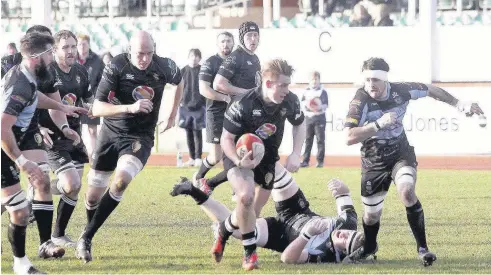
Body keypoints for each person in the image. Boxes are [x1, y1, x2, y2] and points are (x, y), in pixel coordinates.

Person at [342, 57, 485, 266]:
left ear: (385, 80)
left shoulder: (402, 90)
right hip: (373, 160)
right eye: (368, 80)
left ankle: (423, 250)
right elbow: (348, 137)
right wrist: (378, 124)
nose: (371, 84)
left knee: (407, 191)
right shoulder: (360, 99)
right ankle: (370, 247)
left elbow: (430, 89)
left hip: (401, 153)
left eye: (376, 79)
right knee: (371, 217)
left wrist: (459, 104)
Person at [75, 31, 183, 263]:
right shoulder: (117, 66)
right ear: (129, 50)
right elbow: (97, 108)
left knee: (121, 181)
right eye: (139, 54)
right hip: (110, 133)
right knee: (92, 197)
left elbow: (180, 80)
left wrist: (173, 113)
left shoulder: (165, 66)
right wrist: (130, 108)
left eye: (149, 53)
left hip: (140, 136)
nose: (144, 59)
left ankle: (85, 237)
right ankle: (89, 232)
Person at [210, 59, 306, 270]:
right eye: (283, 85)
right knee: (245, 197)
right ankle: (249, 254)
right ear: (268, 83)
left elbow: (300, 124)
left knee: (253, 211)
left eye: (288, 85)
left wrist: (296, 153)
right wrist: (237, 160)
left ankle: (223, 231)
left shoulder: (290, 101)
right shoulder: (243, 103)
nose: (286, 90)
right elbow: (226, 139)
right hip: (238, 155)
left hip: (268, 159)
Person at [2, 25, 87, 259]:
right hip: (6, 129)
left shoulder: (45, 72)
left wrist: (63, 121)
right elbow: (8, 112)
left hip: (28, 129)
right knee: (8, 193)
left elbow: (39, 97)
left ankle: (45, 244)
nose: (53, 58)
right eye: (49, 52)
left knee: (41, 179)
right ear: (35, 51)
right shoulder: (8, 66)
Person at [171, 175, 364, 264]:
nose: (345, 234)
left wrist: (307, 234)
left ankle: (192, 190)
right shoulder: (347, 222)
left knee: (239, 229)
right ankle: (251, 168)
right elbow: (344, 194)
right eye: (350, 234)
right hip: (297, 210)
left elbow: (287, 258)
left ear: (342, 252)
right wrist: (340, 188)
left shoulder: (325, 255)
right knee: (278, 174)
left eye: (346, 241)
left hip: (281, 234)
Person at [38, 30, 93, 247]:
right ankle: (35, 195)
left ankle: (58, 235)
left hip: (73, 135)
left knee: (74, 187)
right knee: (71, 183)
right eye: (65, 47)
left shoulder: (81, 71)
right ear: (54, 50)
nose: (71, 51)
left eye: (73, 46)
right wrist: (40, 127)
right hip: (52, 137)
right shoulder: (46, 73)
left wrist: (98, 110)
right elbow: (33, 102)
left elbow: (87, 101)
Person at [194, 21, 261, 196]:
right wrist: (235, 95)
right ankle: (202, 178)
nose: (253, 39)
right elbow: (209, 87)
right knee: (223, 156)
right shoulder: (225, 59)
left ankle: (224, 185)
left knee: (246, 155)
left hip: (242, 112)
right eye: (249, 36)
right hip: (218, 112)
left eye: (255, 36)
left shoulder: (253, 58)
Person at [193, 32, 234, 190]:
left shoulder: (237, 62)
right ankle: (198, 176)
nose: (225, 44)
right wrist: (224, 98)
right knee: (216, 156)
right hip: (216, 114)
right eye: (222, 41)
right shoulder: (210, 62)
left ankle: (236, 189)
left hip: (236, 115)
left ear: (233, 43)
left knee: (235, 154)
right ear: (218, 44)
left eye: (228, 41)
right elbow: (203, 89)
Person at [77, 34, 105, 163]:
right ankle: (77, 154)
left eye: (84, 44)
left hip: (91, 99)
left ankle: (93, 156)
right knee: (74, 128)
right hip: (74, 99)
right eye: (79, 44)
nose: (82, 47)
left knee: (92, 131)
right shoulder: (71, 59)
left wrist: (97, 100)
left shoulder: (97, 61)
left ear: (88, 44)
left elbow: (102, 81)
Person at [178, 48, 206, 167]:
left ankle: (198, 157)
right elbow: (177, 88)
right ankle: (191, 158)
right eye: (192, 56)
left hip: (199, 106)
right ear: (188, 57)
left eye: (196, 56)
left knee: (197, 131)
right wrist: (179, 102)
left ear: (200, 58)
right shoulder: (182, 71)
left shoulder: (203, 71)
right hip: (185, 106)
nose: (194, 58)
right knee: (188, 132)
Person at [300, 71, 328, 168]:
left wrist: (318, 106)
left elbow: (325, 105)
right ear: (309, 81)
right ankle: (305, 161)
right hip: (309, 118)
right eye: (312, 79)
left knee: (320, 140)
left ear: (319, 80)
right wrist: (309, 106)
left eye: (316, 79)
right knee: (308, 140)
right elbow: (302, 104)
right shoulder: (306, 91)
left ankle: (320, 162)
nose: (314, 81)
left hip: (319, 118)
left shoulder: (322, 91)